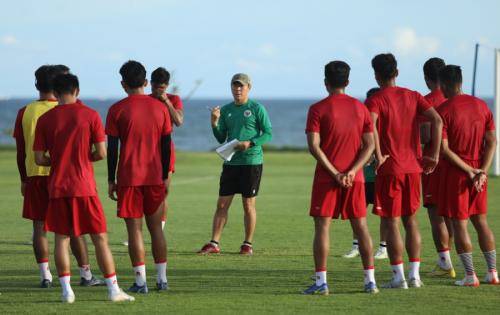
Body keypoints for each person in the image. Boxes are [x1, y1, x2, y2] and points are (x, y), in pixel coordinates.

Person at [33, 73, 134, 303]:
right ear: (77, 90)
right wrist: (82, 157)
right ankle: (113, 290)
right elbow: (101, 152)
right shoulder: (90, 115)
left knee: (61, 239)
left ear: (55, 93)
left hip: (58, 187)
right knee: (100, 238)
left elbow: (39, 159)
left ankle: (67, 291)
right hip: (84, 186)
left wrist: (59, 159)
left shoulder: (45, 120)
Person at [13, 65, 102, 288]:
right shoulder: (72, 109)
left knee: (39, 227)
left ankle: (46, 275)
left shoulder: (25, 112)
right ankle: (85, 274)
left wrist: (23, 178)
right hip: (65, 177)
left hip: (36, 175)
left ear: (37, 85)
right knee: (72, 228)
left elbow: (22, 151)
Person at [366, 53, 443, 289]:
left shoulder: (375, 100)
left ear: (376, 75)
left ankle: (398, 277)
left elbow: (370, 127)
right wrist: (434, 155)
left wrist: (378, 155)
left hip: (390, 168)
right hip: (413, 168)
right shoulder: (414, 95)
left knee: (391, 223)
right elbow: (438, 121)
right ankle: (415, 276)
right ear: (397, 72)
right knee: (412, 221)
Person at [303, 61, 378, 295]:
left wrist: (335, 173)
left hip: (327, 178)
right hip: (354, 179)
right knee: (361, 226)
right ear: (347, 82)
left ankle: (321, 282)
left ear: (326, 82)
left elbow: (314, 146)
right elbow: (370, 146)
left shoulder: (317, 109)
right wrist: (353, 171)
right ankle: (370, 282)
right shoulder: (360, 108)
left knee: (322, 227)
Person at [106, 60, 172, 293]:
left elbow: (112, 149)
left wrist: (111, 180)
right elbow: (166, 146)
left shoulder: (116, 109)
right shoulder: (161, 108)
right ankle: (162, 280)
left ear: (123, 84)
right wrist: (164, 176)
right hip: (154, 177)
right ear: (146, 82)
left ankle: (140, 282)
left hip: (129, 178)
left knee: (134, 231)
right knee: (156, 229)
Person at [197, 73, 272, 255]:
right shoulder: (226, 110)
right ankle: (214, 243)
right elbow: (221, 137)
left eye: (241, 86)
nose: (238, 89)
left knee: (248, 205)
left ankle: (247, 244)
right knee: (222, 204)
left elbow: (268, 133)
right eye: (235, 86)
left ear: (248, 88)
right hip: (231, 163)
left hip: (251, 162)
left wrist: (250, 143)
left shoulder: (256, 108)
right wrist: (214, 122)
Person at [437, 65, 498, 286]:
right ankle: (492, 273)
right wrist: (482, 170)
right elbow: (492, 141)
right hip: (478, 172)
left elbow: (444, 149)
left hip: (457, 173)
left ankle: (470, 275)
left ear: (443, 85)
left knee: (460, 224)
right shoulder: (482, 106)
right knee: (481, 222)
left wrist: (470, 171)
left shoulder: (443, 110)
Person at [420, 58, 456, 278]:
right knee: (452, 214)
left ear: (426, 79)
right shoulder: (455, 99)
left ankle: (445, 262)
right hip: (456, 164)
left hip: (434, 165)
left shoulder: (426, 102)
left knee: (436, 216)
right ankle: (450, 260)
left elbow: (425, 135)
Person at [343, 87, 388, 260]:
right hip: (362, 176)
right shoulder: (361, 121)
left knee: (383, 213)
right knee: (357, 212)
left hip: (379, 176)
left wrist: (378, 157)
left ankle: (383, 247)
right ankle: (356, 246)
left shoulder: (384, 125)